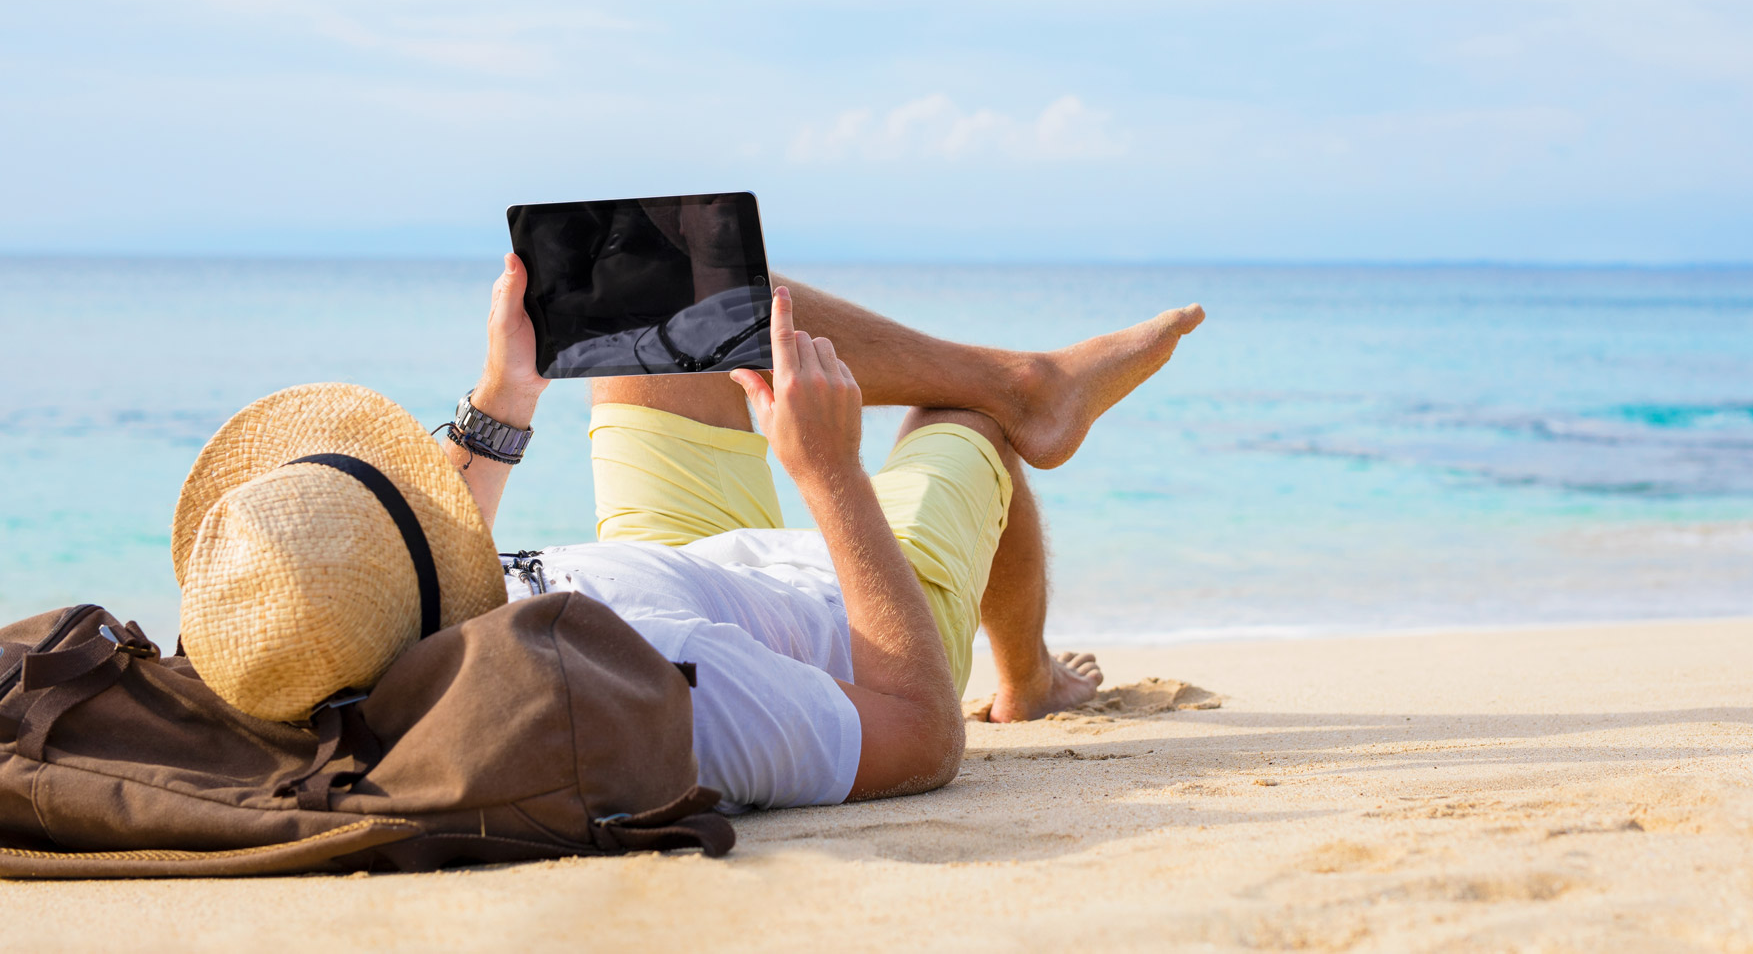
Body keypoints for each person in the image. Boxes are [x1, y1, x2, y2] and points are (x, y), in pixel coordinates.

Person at [438, 256, 1202, 811]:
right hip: (864, 617)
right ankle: (1028, 673)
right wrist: (828, 471)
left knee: (662, 295)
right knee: (963, 424)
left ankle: (1022, 384)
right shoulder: (654, 683)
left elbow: (429, 559)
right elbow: (924, 733)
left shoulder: (374, 646)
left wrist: (505, 395)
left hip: (676, 567)